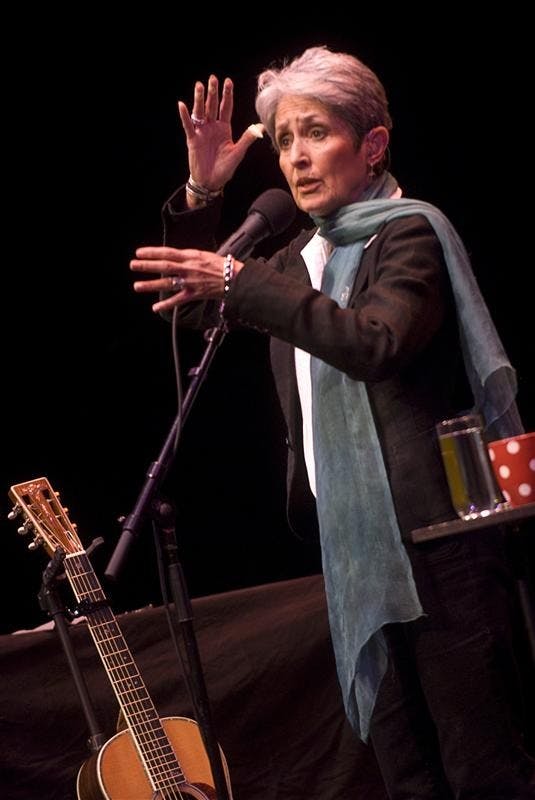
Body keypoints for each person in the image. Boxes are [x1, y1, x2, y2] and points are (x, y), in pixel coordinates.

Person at [130, 46, 535, 799]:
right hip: (352, 549)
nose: (296, 156)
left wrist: (240, 278)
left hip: (439, 544)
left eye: (315, 133)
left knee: (481, 770)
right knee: (407, 777)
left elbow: (375, 343)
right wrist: (202, 195)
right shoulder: (296, 261)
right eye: (284, 140)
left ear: (372, 144)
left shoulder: (409, 233)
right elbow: (189, 307)